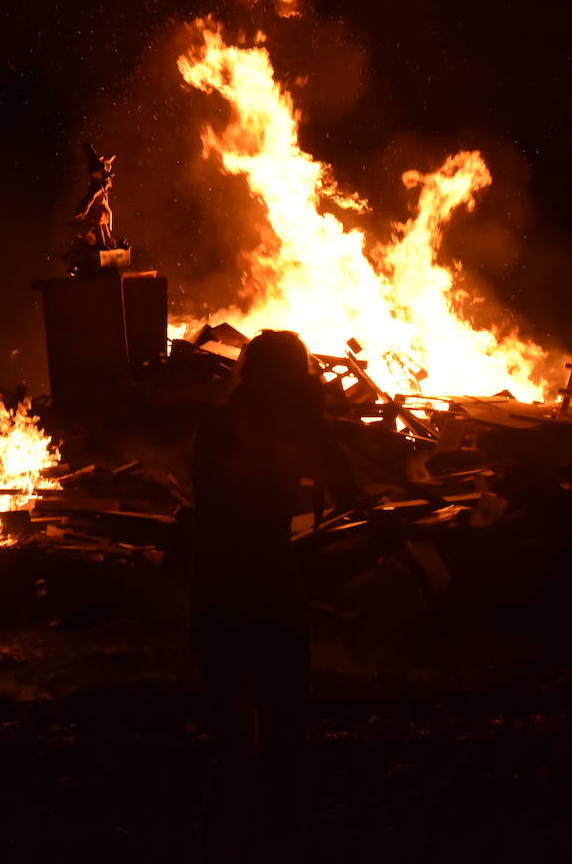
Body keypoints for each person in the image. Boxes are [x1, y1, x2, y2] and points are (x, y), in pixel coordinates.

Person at [190, 329, 359, 851]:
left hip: (217, 577)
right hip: (269, 574)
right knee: (282, 703)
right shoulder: (299, 425)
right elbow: (346, 488)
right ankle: (279, 824)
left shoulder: (221, 423)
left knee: (227, 708)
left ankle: (232, 824)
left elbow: (207, 498)